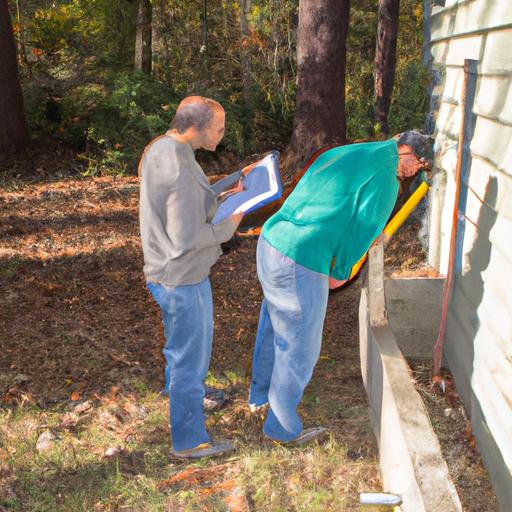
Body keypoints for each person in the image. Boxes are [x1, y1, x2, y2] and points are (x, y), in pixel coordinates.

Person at [249, 131, 433, 444]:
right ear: (403, 149)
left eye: (420, 168)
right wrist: (341, 270)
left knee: (273, 326)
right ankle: (281, 429)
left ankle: (260, 397)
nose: (414, 171)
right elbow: (364, 230)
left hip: (273, 241)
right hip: (301, 259)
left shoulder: (351, 151)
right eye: (416, 163)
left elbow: (310, 181)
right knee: (300, 347)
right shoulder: (387, 180)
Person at [139, 96, 243, 459]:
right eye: (219, 128)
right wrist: (229, 226)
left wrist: (225, 190)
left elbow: (185, 203)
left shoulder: (164, 147)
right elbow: (186, 237)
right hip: (181, 277)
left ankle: (182, 401)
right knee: (190, 359)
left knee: (179, 351)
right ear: (196, 127)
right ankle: (188, 441)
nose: (222, 134)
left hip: (167, 272)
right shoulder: (179, 165)